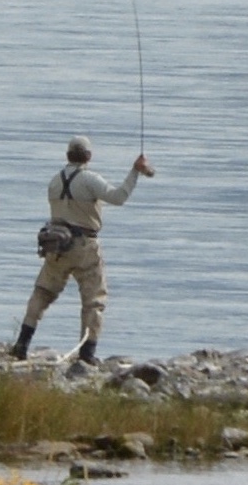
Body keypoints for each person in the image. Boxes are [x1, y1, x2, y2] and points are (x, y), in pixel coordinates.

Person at [10, 135, 154, 364]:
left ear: (68, 155)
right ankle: (87, 353)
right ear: (88, 156)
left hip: (56, 245)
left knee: (42, 292)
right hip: (85, 246)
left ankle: (21, 345)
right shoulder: (89, 180)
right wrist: (135, 171)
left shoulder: (55, 181)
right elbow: (118, 198)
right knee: (94, 300)